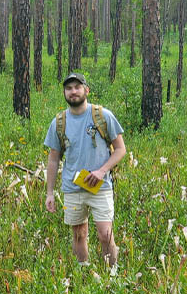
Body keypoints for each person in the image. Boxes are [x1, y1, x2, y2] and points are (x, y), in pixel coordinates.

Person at [43, 72, 127, 268]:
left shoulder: (103, 116)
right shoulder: (59, 122)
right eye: (69, 88)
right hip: (73, 188)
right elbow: (53, 160)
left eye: (77, 87)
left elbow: (121, 149)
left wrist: (101, 171)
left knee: (105, 234)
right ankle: (84, 271)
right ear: (64, 93)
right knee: (79, 234)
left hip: (101, 186)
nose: (73, 92)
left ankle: (112, 274)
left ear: (86, 90)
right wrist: (50, 193)